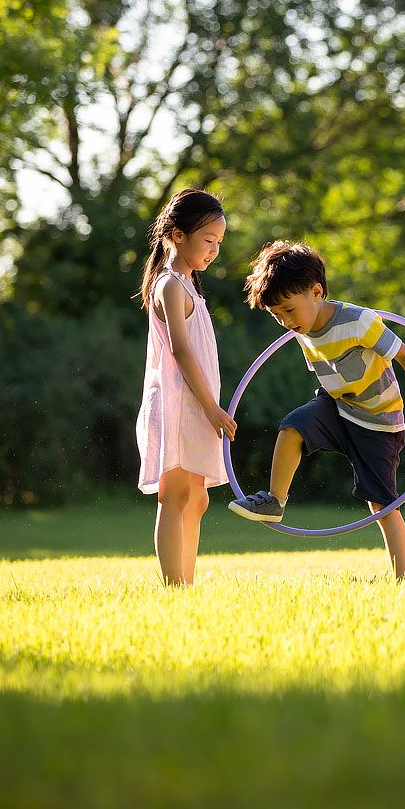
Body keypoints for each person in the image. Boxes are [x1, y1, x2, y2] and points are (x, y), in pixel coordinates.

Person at [228, 241, 405, 578]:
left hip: (378, 419)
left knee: (381, 504)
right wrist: (293, 318)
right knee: (292, 427)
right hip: (337, 404)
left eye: (288, 310)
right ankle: (275, 500)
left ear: (316, 292)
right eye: (277, 315)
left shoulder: (358, 321)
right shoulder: (301, 327)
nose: (285, 322)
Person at [136, 188, 236, 586]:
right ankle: (175, 586)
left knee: (198, 497)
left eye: (218, 243)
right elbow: (180, 350)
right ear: (177, 235)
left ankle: (186, 582)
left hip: (197, 402)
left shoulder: (189, 285)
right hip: (180, 403)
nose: (214, 250)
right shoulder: (170, 285)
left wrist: (209, 405)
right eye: (208, 240)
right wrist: (212, 408)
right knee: (175, 494)